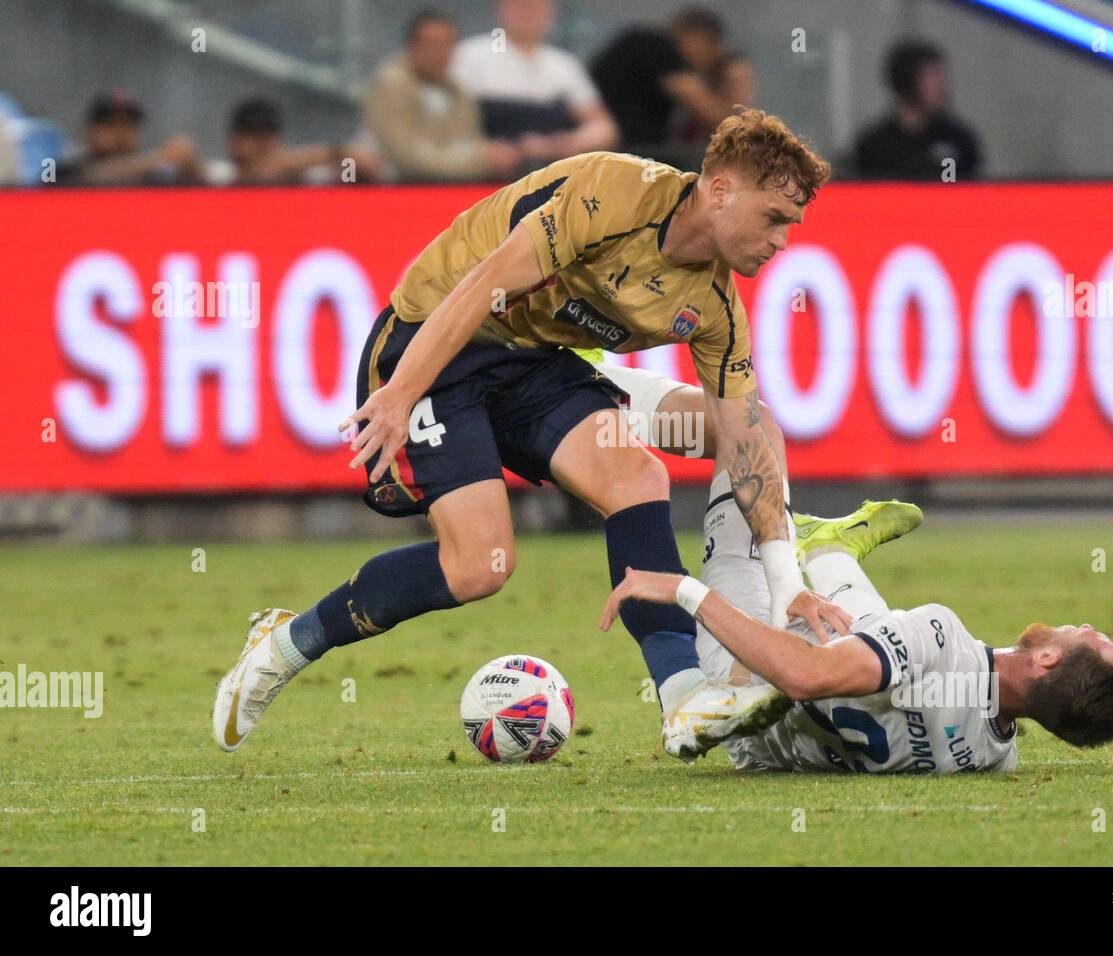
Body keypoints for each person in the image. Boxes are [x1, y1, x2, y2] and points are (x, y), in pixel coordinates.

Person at [212, 109, 841, 761]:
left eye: (790, 226)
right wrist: (399, 393)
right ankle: (286, 644)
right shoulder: (612, 194)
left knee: (640, 475)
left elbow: (743, 445)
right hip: (439, 339)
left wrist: (784, 577)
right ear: (720, 191)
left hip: (533, 364)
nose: (782, 241)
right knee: (479, 568)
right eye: (774, 218)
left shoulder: (716, 309)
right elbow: (482, 286)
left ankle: (685, 698)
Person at [601, 490, 1113, 773]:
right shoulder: (992, 757)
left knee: (752, 432)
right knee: (877, 636)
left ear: (1048, 661)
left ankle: (821, 548)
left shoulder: (941, 635)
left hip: (750, 671)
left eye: (1086, 635)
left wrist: (684, 590)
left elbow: (803, 674)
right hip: (756, 752)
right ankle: (832, 548)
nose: (1080, 623)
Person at [449, 0, 617, 171]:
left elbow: (602, 127)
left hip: (549, 178)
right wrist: (480, 150)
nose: (529, 14)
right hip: (483, 178)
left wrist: (563, 144)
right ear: (501, 9)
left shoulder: (564, 64)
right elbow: (444, 120)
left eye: (537, 7)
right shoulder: (469, 56)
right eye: (520, 6)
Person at [364, 8, 521, 181]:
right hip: (396, 190)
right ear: (411, 47)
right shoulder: (390, 86)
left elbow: (467, 141)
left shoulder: (459, 92)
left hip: (452, 188)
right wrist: (480, 159)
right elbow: (407, 158)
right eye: (431, 44)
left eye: (447, 44)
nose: (439, 52)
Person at [589, 15, 736, 164]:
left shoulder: (647, 50)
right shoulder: (656, 46)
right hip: (622, 152)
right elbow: (707, 110)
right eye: (712, 48)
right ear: (698, 38)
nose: (711, 59)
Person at [853, 39, 982, 181]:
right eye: (931, 78)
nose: (940, 87)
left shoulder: (958, 139)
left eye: (940, 78)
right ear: (906, 81)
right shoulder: (874, 145)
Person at [207, 98, 379, 186]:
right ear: (232, 142)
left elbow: (367, 166)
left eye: (267, 141)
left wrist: (318, 156)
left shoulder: (305, 178)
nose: (262, 150)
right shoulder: (217, 176)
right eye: (254, 138)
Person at [62, 92, 204, 186]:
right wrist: (160, 157)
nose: (121, 133)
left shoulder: (149, 176)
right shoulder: (70, 168)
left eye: (129, 125)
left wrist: (191, 170)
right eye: (112, 124)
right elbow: (88, 178)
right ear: (91, 130)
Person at [666, 8, 756, 150]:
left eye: (696, 43)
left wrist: (693, 94)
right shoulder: (678, 71)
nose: (686, 50)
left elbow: (734, 119)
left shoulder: (731, 70)